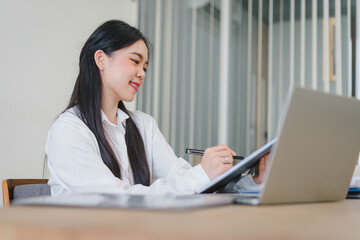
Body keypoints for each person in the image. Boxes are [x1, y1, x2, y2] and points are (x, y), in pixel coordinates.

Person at [45, 20, 268, 196]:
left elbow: (181, 178)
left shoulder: (143, 125)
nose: (142, 73)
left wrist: (254, 179)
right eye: (135, 61)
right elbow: (114, 200)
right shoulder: (68, 131)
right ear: (101, 59)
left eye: (145, 67)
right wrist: (200, 175)